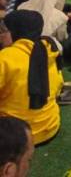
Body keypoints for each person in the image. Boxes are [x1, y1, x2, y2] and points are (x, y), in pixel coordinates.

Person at [0, 11, 63, 145]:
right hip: (49, 127)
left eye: (3, 31)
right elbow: (58, 87)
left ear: (15, 32)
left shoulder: (6, 57)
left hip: (15, 136)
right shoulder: (49, 48)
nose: (1, 35)